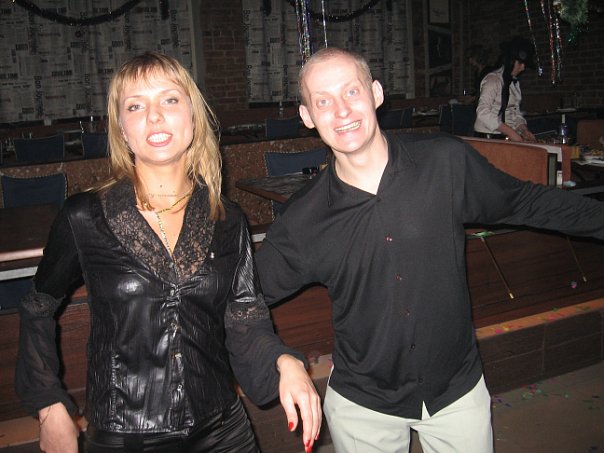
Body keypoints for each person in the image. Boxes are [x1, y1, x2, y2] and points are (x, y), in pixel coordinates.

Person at [253, 47, 604, 453]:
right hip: (364, 405)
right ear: (307, 116)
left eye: (351, 91)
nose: (342, 111)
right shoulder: (304, 219)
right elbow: (243, 300)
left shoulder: (444, 161)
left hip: (455, 393)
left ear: (376, 93)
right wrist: (281, 358)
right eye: (323, 101)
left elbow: (526, 202)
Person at [15, 51, 321, 453]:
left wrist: (285, 362)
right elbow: (37, 306)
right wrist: (49, 404)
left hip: (223, 430)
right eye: (136, 106)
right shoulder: (85, 216)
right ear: (122, 129)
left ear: (193, 117)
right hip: (125, 436)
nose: (155, 117)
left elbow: (246, 320)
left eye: (170, 100)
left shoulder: (226, 218)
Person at [474, 37, 537, 142]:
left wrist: (523, 129)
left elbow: (515, 112)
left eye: (524, 65)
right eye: (520, 63)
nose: (523, 68)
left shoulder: (514, 84)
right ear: (510, 61)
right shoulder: (493, 80)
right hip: (488, 139)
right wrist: (510, 132)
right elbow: (482, 113)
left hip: (505, 138)